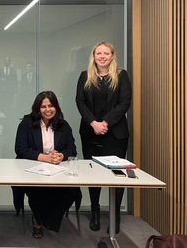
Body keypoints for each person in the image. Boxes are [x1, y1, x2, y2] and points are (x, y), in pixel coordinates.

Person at [75, 41, 132, 233]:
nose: (102, 56)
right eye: (98, 53)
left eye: (106, 53)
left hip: (115, 133)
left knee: (116, 174)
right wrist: (93, 123)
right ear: (94, 56)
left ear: (112, 56)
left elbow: (125, 102)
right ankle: (95, 211)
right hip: (90, 131)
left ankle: (115, 216)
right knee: (93, 174)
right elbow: (80, 101)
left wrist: (105, 123)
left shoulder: (121, 76)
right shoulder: (85, 76)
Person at [15, 90, 79, 239]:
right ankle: (38, 222)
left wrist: (61, 156)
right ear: (37, 109)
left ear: (56, 107)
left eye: (51, 105)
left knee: (72, 191)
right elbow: (21, 149)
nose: (47, 109)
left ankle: (48, 219)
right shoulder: (27, 124)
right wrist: (45, 158)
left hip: (59, 170)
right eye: (43, 107)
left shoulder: (64, 125)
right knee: (39, 192)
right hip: (32, 170)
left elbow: (72, 150)